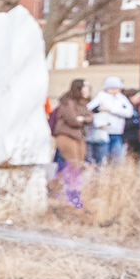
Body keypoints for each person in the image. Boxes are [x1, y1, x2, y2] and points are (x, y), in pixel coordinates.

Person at [52, 78, 91, 208]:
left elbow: (91, 117)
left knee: (78, 166)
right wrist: (82, 119)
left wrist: (83, 119)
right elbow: (72, 119)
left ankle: (70, 195)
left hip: (79, 137)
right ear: (78, 88)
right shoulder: (67, 101)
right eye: (85, 87)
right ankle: (69, 196)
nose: (88, 89)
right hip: (66, 135)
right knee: (72, 165)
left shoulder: (83, 103)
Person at [87, 76, 134, 164]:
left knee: (117, 160)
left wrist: (110, 109)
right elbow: (89, 108)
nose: (114, 91)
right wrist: (98, 113)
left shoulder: (122, 98)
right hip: (103, 132)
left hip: (117, 132)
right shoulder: (101, 97)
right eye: (111, 88)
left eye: (117, 88)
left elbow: (129, 112)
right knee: (103, 159)